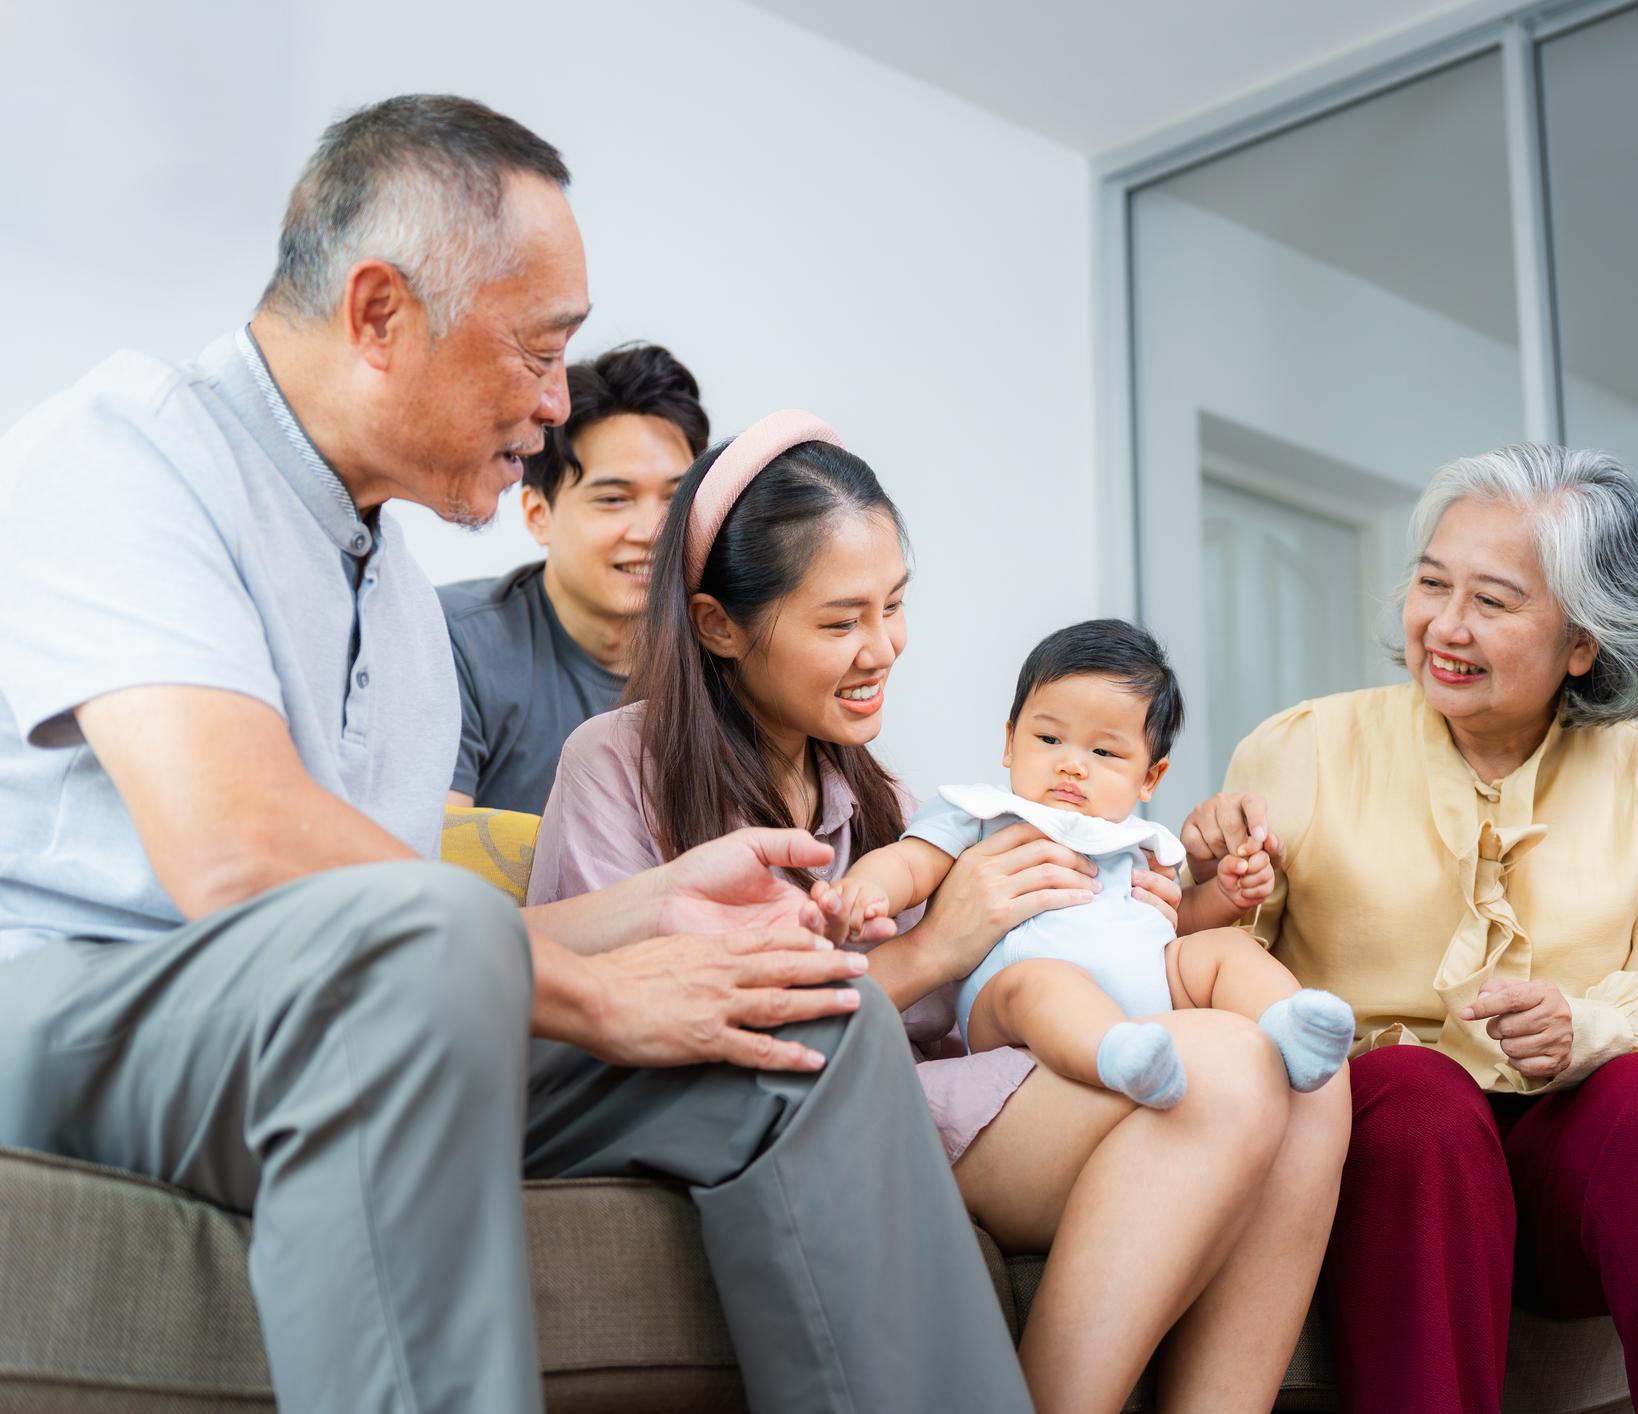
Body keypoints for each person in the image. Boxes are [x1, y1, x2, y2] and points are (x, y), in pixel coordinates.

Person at [0, 95, 1029, 1413]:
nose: (553, 406)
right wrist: (602, 991)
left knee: (798, 1015)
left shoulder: (398, 602)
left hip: (345, 1022)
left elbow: (397, 939)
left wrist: (658, 910)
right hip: (77, 1017)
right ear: (379, 312)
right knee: (423, 944)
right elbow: (241, 852)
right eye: (538, 352)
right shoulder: (123, 457)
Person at [530, 410, 1351, 1414]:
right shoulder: (618, 764)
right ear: (719, 624)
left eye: (895, 605)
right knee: (1227, 1067)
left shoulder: (881, 796)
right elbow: (663, 1031)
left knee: (1313, 1080)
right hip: (824, 1109)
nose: (884, 648)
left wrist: (1154, 911)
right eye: (840, 621)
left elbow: (999, 992)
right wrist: (937, 943)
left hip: (967, 1080)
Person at [1181, 444, 1638, 1414]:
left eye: (1494, 602)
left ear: (1582, 642)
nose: (1444, 627)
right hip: (1384, 1167)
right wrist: (1205, 886)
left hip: (1565, 1171)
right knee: (1419, 1097)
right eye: (1431, 584)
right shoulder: (1302, 748)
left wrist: (1582, 1025)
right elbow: (1208, 972)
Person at [835, 617, 1356, 1110]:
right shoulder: (983, 812)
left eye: (1105, 753)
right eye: (1049, 738)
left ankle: (1291, 1030)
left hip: (1151, 999)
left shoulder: (1139, 842)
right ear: (1009, 741)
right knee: (1041, 983)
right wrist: (867, 888)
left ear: (1150, 778)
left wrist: (1224, 896)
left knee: (1224, 948)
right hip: (1012, 1006)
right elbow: (909, 863)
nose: (1072, 763)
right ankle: (1116, 1055)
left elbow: (1173, 924)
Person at [444, 342, 709, 812]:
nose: (652, 532)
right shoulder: (455, 642)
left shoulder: (726, 651)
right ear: (537, 513)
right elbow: (431, 858)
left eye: (675, 499)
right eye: (613, 499)